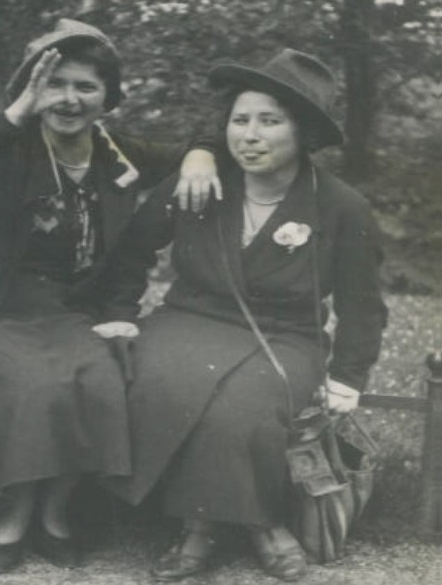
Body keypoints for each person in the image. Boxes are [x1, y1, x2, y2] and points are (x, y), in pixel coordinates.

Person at [0, 18, 221, 572]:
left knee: (100, 381)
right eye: (54, 84)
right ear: (31, 90)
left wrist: (202, 152)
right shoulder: (7, 145)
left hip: (72, 313)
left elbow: (206, 145)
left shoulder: (119, 154)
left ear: (108, 96)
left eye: (85, 86)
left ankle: (54, 516)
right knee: (31, 386)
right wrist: (17, 111)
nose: (69, 99)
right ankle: (12, 519)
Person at [86, 48, 388, 581]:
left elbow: (363, 303)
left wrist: (348, 376)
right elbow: (133, 252)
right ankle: (246, 525)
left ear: (304, 133)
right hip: (190, 321)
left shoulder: (341, 206)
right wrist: (119, 312)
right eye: (239, 120)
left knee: (241, 409)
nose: (249, 135)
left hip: (285, 336)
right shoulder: (198, 179)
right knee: (163, 384)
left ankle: (215, 528)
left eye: (270, 122)